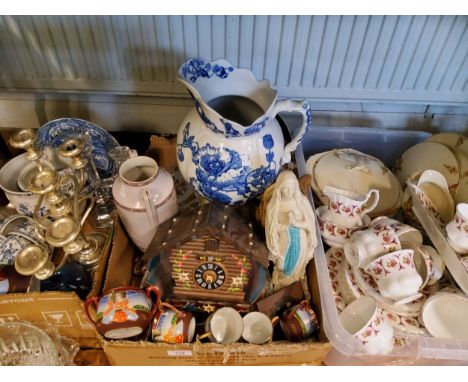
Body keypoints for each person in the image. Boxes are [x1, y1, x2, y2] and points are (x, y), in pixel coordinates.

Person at [265, 171, 317, 291]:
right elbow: (271, 229)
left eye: (292, 188)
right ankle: (281, 286)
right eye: (286, 189)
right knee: (283, 266)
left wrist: (296, 223)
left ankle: (295, 286)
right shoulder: (274, 206)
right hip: (284, 242)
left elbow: (310, 224)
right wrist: (285, 225)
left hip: (300, 241)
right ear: (279, 188)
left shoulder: (302, 202)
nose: (289, 192)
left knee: (297, 266)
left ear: (296, 187)